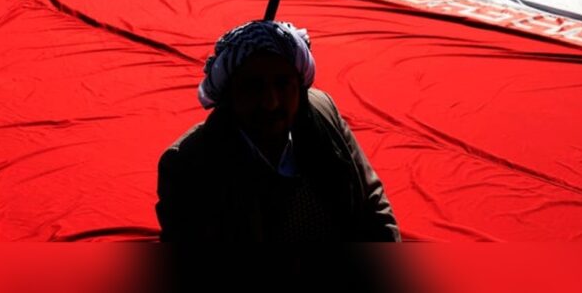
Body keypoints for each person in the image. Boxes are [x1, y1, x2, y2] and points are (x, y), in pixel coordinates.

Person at [156, 20, 400, 242]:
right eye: (254, 86)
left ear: (300, 87)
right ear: (230, 93)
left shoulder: (323, 113)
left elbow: (372, 204)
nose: (270, 103)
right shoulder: (187, 164)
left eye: (283, 84)